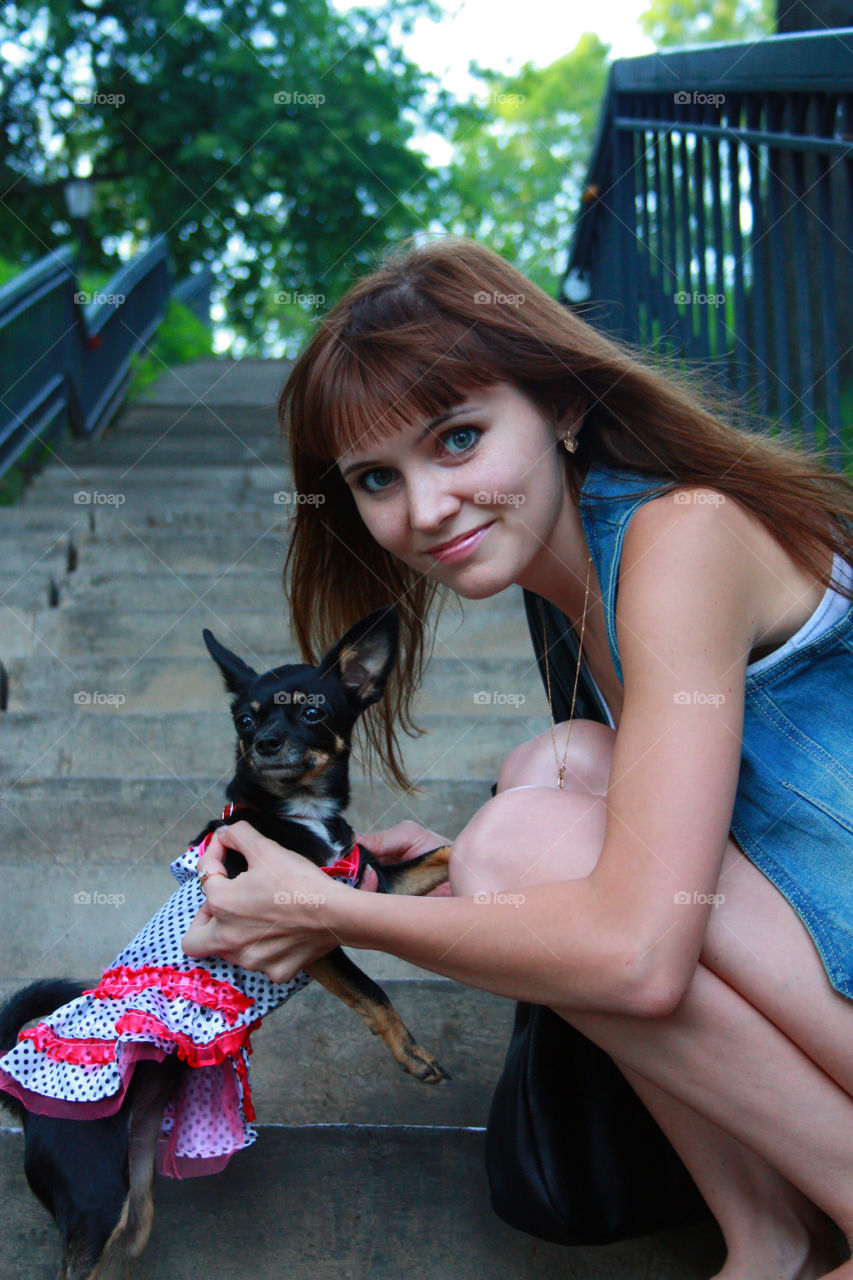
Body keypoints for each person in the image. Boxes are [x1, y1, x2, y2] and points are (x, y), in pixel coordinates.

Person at [183, 235, 853, 1279]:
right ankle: (767, 1239)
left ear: (564, 406)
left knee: (531, 833)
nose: (423, 509)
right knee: (549, 774)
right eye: (375, 477)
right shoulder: (577, 592)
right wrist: (440, 873)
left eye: (457, 438)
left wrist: (329, 910)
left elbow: (638, 951)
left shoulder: (682, 534)